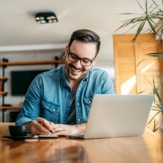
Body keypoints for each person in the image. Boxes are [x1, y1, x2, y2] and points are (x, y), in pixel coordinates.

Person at [16, 29, 115, 136]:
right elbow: (22, 120)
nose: (77, 65)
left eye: (86, 61)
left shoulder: (102, 79)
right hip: (50, 148)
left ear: (94, 60)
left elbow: (112, 120)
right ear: (67, 50)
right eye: (73, 56)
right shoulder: (41, 81)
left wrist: (77, 129)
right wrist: (31, 126)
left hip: (91, 149)